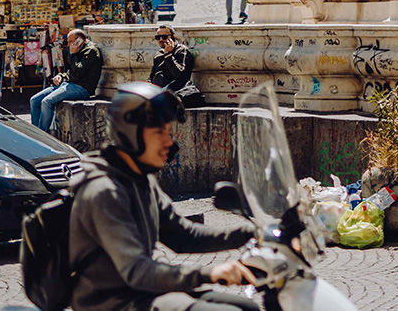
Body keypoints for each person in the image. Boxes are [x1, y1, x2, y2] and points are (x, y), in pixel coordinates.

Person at [69, 82, 259, 311]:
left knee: (246, 306)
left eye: (169, 132)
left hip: (142, 291)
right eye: (160, 132)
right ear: (130, 133)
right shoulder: (104, 192)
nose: (170, 142)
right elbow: (137, 271)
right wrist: (210, 272)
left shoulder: (141, 179)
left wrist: (250, 233)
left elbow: (183, 235)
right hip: (115, 302)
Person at [30, 29, 102, 132]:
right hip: (69, 83)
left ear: (79, 40)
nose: (68, 45)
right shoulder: (76, 49)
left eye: (70, 41)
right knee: (34, 100)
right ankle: (34, 132)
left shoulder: (91, 51)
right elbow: (70, 72)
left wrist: (73, 55)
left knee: (47, 102)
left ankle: (42, 133)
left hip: (82, 88)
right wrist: (61, 76)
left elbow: (78, 72)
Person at [149, 25, 196, 93]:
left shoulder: (181, 50)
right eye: (158, 37)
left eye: (164, 37)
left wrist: (168, 55)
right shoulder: (159, 54)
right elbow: (152, 75)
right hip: (157, 91)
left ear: (173, 37)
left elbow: (180, 75)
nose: (161, 39)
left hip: (173, 91)